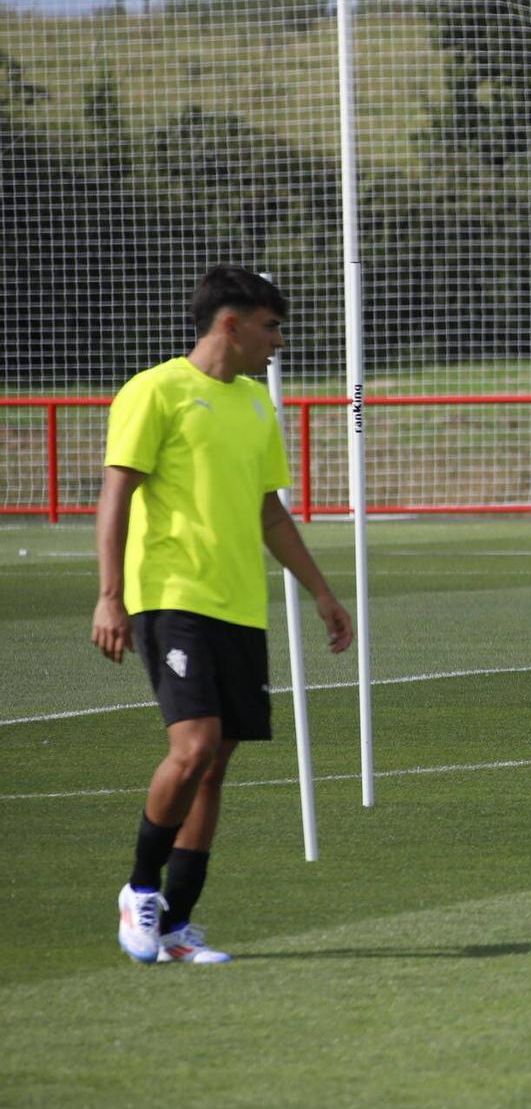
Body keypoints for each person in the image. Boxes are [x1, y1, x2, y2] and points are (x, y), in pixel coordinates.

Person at [95, 265, 353, 966]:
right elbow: (117, 493)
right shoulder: (154, 391)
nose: (279, 341)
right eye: (271, 326)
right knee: (194, 746)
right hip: (171, 597)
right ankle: (139, 889)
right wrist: (110, 594)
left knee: (215, 767)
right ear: (230, 324)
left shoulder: (256, 406)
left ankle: (175, 925)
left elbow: (270, 511)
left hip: (240, 606)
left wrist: (322, 593)